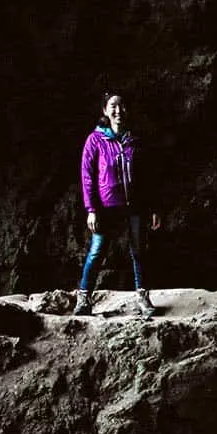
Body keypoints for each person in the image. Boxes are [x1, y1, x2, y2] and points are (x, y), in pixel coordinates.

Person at [73, 91, 161, 317]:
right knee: (96, 252)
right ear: (104, 110)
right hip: (106, 206)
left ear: (128, 109)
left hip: (135, 205)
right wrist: (91, 209)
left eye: (122, 105)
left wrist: (152, 208)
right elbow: (87, 177)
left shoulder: (135, 140)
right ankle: (83, 299)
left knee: (139, 251)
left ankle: (143, 298)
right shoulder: (95, 140)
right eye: (113, 106)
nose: (118, 110)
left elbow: (148, 177)